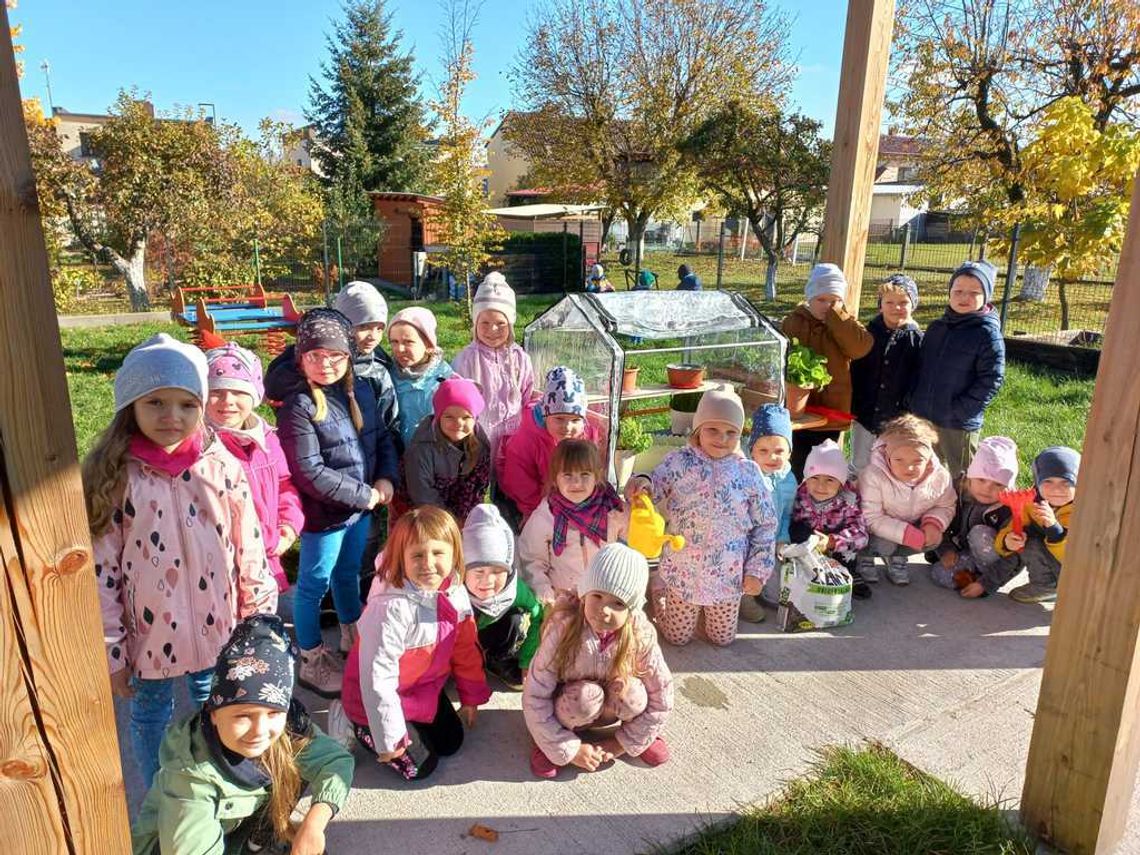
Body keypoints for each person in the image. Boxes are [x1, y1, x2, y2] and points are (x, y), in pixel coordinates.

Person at [85, 334, 276, 788]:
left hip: (220, 626)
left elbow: (248, 545)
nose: (172, 417)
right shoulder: (117, 476)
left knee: (220, 706)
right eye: (155, 403)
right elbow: (102, 573)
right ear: (130, 405)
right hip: (148, 635)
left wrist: (259, 618)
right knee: (150, 713)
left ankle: (222, 784)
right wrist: (113, 651)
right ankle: (160, 795)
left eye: (187, 405)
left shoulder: (221, 466)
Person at [131, 615, 353, 854]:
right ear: (214, 713)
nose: (260, 730)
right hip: (167, 847)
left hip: (233, 832)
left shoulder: (289, 727)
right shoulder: (190, 778)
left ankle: (258, 841)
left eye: (273, 713)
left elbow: (336, 761)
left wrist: (314, 824)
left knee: (294, 758)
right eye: (243, 716)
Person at [265, 309, 399, 698]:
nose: (326, 364)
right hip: (325, 516)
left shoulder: (363, 393)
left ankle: (350, 633)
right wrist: (366, 495)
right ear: (301, 357)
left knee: (348, 575)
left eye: (335, 356)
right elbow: (308, 470)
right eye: (315, 356)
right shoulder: (299, 406)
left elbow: (382, 440)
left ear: (349, 357)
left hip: (359, 511)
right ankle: (311, 658)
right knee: (312, 585)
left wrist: (385, 478)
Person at [341, 507, 491, 781]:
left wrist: (471, 696)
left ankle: (411, 720)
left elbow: (465, 649)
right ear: (401, 559)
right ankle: (352, 721)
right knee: (420, 769)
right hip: (372, 699)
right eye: (417, 555)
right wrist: (388, 738)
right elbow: (378, 678)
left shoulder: (454, 591)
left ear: (454, 554)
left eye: (438, 553)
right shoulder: (388, 609)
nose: (428, 564)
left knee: (451, 742)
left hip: (421, 688)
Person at [627, 385, 776, 647]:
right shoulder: (680, 462)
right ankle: (660, 590)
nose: (722, 438)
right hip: (683, 571)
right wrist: (642, 483)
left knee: (722, 639)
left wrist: (757, 571)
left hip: (726, 576)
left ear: (741, 434)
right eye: (713, 430)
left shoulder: (749, 473)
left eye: (731, 432)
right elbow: (656, 483)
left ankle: (710, 612)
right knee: (677, 637)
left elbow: (766, 524)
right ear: (698, 429)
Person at [524, 543, 674, 778]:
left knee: (634, 694)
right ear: (584, 594)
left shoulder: (639, 635)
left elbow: (662, 696)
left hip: (612, 708)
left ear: (632, 609)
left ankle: (641, 736)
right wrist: (566, 749)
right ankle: (549, 742)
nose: (604, 610)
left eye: (618, 603)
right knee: (584, 697)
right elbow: (535, 694)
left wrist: (623, 743)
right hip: (573, 711)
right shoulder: (562, 629)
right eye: (597, 595)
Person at [205, 343, 304, 593]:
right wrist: (269, 540)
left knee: (262, 625)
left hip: (267, 560)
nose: (228, 401)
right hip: (220, 567)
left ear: (255, 395)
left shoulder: (267, 439)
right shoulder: (201, 447)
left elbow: (284, 484)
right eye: (216, 391)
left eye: (239, 392)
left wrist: (289, 525)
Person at [909, 260, 1006, 477]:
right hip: (924, 416)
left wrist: (962, 410)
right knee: (926, 473)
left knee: (962, 477)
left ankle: (963, 511)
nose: (964, 297)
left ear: (986, 296)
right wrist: (914, 400)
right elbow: (920, 367)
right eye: (958, 291)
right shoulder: (936, 328)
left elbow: (991, 379)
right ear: (949, 293)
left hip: (958, 423)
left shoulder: (987, 334)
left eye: (974, 292)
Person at [334, 280, 399, 596]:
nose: (371, 335)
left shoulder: (380, 370)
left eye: (377, 327)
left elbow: (389, 422)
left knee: (369, 534)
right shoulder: (327, 368)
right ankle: (335, 594)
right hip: (335, 470)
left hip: (371, 470)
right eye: (363, 326)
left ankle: (364, 589)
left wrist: (387, 471)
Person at [781, 263, 874, 478]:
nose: (827, 306)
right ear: (810, 298)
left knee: (825, 464)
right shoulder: (795, 322)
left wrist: (837, 319)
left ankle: (822, 505)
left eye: (834, 301)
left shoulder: (846, 324)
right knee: (797, 463)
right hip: (800, 409)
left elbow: (860, 348)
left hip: (831, 410)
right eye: (821, 300)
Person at [518, 439, 628, 604]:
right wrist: (545, 595)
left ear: (597, 476)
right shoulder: (546, 516)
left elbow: (640, 538)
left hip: (604, 598)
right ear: (555, 479)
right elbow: (531, 561)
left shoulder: (612, 509)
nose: (576, 483)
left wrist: (642, 508)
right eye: (568, 475)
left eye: (584, 474)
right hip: (564, 601)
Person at [857, 414, 956, 586]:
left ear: (929, 458)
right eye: (899, 460)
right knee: (884, 544)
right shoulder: (873, 475)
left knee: (934, 539)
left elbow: (945, 505)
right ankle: (865, 556)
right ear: (888, 457)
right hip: (873, 530)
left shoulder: (940, 477)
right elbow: (870, 517)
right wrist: (906, 534)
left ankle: (898, 557)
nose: (908, 467)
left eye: (918, 461)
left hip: (911, 524)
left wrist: (933, 524)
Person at [498, 366, 602, 522]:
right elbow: (519, 482)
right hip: (525, 502)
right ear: (546, 415)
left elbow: (592, 470)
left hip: (565, 496)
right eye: (559, 419)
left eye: (575, 420)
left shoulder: (585, 436)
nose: (567, 427)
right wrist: (533, 513)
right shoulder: (527, 438)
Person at [452, 272, 536, 457]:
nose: (492, 329)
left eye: (500, 323)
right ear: (475, 323)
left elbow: (527, 396)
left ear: (510, 324)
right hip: (476, 441)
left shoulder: (520, 359)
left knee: (509, 482)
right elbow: (457, 400)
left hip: (513, 441)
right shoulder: (466, 359)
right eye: (485, 322)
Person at [462, 504, 544, 691]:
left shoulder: (514, 589)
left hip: (489, 634)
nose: (488, 580)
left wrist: (526, 660)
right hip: (461, 642)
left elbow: (538, 615)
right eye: (479, 571)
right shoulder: (454, 591)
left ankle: (497, 659)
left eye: (497, 571)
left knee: (516, 620)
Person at [848, 274, 924, 475]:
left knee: (891, 465)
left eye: (903, 302)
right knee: (860, 462)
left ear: (913, 304)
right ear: (880, 305)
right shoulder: (867, 334)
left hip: (897, 416)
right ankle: (856, 502)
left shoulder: (917, 340)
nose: (896, 307)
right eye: (889, 302)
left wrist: (910, 408)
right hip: (866, 413)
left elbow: (919, 378)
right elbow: (856, 370)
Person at [932, 436, 1021, 598]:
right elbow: (941, 523)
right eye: (981, 480)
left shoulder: (1012, 509)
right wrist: (946, 550)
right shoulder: (957, 492)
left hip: (998, 562)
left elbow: (1014, 557)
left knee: (979, 533)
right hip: (968, 552)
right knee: (940, 574)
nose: (987, 489)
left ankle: (984, 581)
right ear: (970, 478)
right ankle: (973, 577)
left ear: (1008, 487)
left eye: (998, 484)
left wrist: (985, 585)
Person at [994, 446, 1080, 604]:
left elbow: (1076, 556)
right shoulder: (1030, 503)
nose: (1056, 489)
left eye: (1066, 482)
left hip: (1079, 573)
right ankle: (1046, 585)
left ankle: (1057, 586)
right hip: (1054, 564)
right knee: (1028, 538)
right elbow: (1010, 529)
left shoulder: (1083, 511)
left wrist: (1055, 530)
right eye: (1047, 481)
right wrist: (1007, 541)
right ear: (1037, 481)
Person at [788, 439, 872, 598]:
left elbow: (862, 535)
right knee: (797, 529)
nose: (821, 486)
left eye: (830, 480)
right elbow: (791, 520)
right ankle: (808, 570)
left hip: (836, 549)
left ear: (841, 483)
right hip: (810, 547)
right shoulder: (800, 495)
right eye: (814, 478)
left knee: (848, 548)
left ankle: (847, 573)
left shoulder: (849, 501)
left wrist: (833, 541)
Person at [404, 376, 491, 524]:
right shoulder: (422, 448)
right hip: (420, 508)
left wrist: (465, 519)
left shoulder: (480, 443)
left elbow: (477, 486)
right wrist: (450, 522)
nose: (458, 423)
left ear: (475, 419)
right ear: (438, 417)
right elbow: (422, 494)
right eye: (449, 416)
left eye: (466, 417)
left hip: (458, 500)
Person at [743, 403, 798, 619]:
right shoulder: (749, 477)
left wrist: (782, 539)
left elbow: (787, 514)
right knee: (742, 568)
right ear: (752, 451)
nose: (772, 457)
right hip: (747, 542)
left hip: (772, 542)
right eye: (763, 451)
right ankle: (743, 598)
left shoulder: (789, 479)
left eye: (779, 451)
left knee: (776, 595)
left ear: (789, 452)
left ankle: (762, 588)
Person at [387, 306, 455, 449]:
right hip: (399, 456)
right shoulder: (388, 376)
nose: (399, 349)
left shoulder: (445, 380)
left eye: (408, 342)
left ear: (429, 345)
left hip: (434, 458)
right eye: (394, 342)